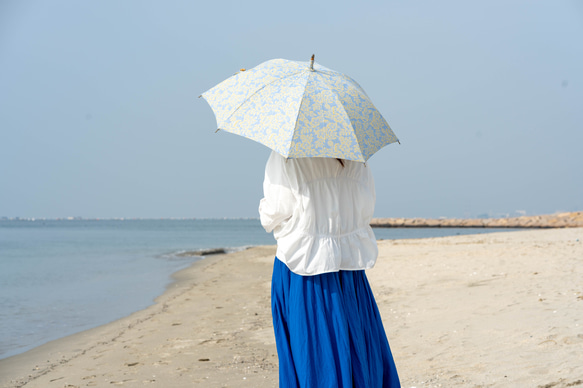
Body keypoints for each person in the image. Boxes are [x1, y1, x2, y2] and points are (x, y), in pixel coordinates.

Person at [259, 151, 400, 388]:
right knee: (358, 347)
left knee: (310, 351)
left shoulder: (286, 155)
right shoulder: (356, 158)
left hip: (304, 267)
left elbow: (273, 213)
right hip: (349, 268)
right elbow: (366, 207)